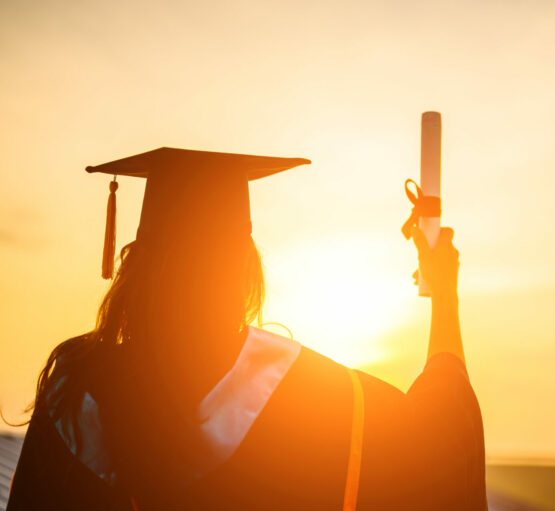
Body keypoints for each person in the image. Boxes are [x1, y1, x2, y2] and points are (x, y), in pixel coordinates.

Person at [7, 148, 487, 510]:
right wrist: (444, 294)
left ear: (137, 264)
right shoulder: (325, 404)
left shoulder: (72, 399)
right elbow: (440, 440)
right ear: (243, 269)